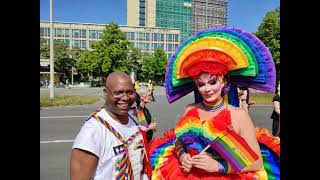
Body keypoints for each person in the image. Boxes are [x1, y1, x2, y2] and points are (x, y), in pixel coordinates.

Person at [148, 27, 280, 179]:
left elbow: (256, 162)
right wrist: (183, 155)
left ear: (223, 82)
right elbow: (179, 141)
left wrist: (219, 166)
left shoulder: (238, 115)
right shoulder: (190, 110)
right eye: (201, 84)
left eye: (212, 82)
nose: (207, 89)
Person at [70, 71, 151, 180]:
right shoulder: (93, 130)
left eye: (130, 92)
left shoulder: (134, 121)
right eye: (118, 92)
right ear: (105, 92)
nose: (125, 98)